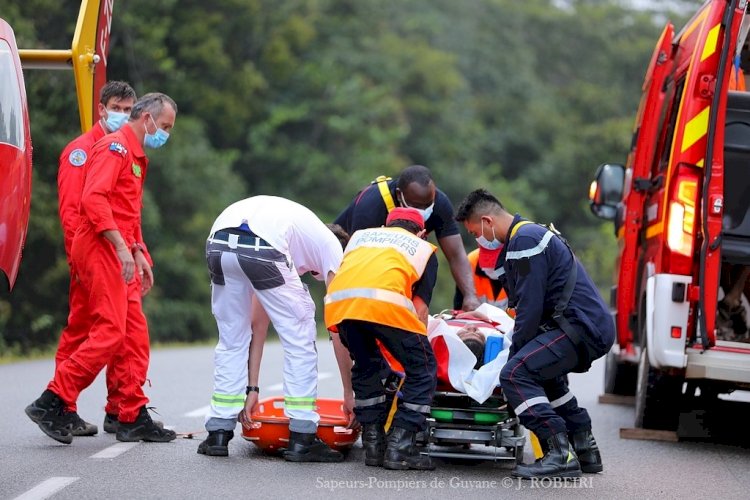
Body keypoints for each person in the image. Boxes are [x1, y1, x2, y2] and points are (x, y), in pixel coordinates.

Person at [25, 93, 178, 445]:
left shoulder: (136, 156)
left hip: (120, 249)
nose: (165, 134)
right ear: (148, 119)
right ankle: (54, 400)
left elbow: (127, 211)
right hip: (100, 247)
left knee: (133, 331)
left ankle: (130, 412)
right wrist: (122, 248)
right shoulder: (115, 148)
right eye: (165, 126)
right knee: (109, 330)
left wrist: (139, 252)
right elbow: (92, 199)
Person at [455, 189, 615, 479]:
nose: (476, 240)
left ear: (487, 221)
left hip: (579, 326)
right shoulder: (530, 235)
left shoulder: (524, 240)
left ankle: (558, 453)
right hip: (588, 325)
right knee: (544, 376)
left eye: (473, 232)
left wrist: (514, 358)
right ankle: (584, 447)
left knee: (516, 374)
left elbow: (529, 307)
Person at [197, 195, 353, 462]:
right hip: (262, 245)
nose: (311, 277)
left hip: (219, 241)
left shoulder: (298, 231)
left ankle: (218, 433)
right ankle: (303, 437)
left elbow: (256, 326)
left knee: (231, 337)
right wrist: (349, 393)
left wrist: (252, 389)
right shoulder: (333, 250)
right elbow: (338, 325)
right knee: (300, 334)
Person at [325, 207, 438, 471]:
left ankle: (374, 446)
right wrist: (417, 349)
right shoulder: (422, 248)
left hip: (341, 308)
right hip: (384, 307)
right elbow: (419, 309)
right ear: (421, 232)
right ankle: (400, 446)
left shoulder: (361, 237)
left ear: (386, 226)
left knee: (367, 367)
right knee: (422, 369)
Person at [53, 81, 137, 436]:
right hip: (89, 256)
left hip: (109, 256)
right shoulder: (81, 151)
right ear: (102, 108)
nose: (122, 115)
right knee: (82, 332)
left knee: (111, 330)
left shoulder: (121, 148)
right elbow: (73, 211)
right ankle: (62, 406)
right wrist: (79, 263)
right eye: (117, 107)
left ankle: (116, 407)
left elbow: (127, 210)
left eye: (128, 109)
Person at [334, 164, 480, 311]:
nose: (423, 211)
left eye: (428, 204)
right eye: (416, 205)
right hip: (347, 260)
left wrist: (470, 296)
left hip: (393, 263)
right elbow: (357, 263)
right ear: (399, 195)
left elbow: (456, 255)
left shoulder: (440, 204)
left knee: (429, 257)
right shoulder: (370, 207)